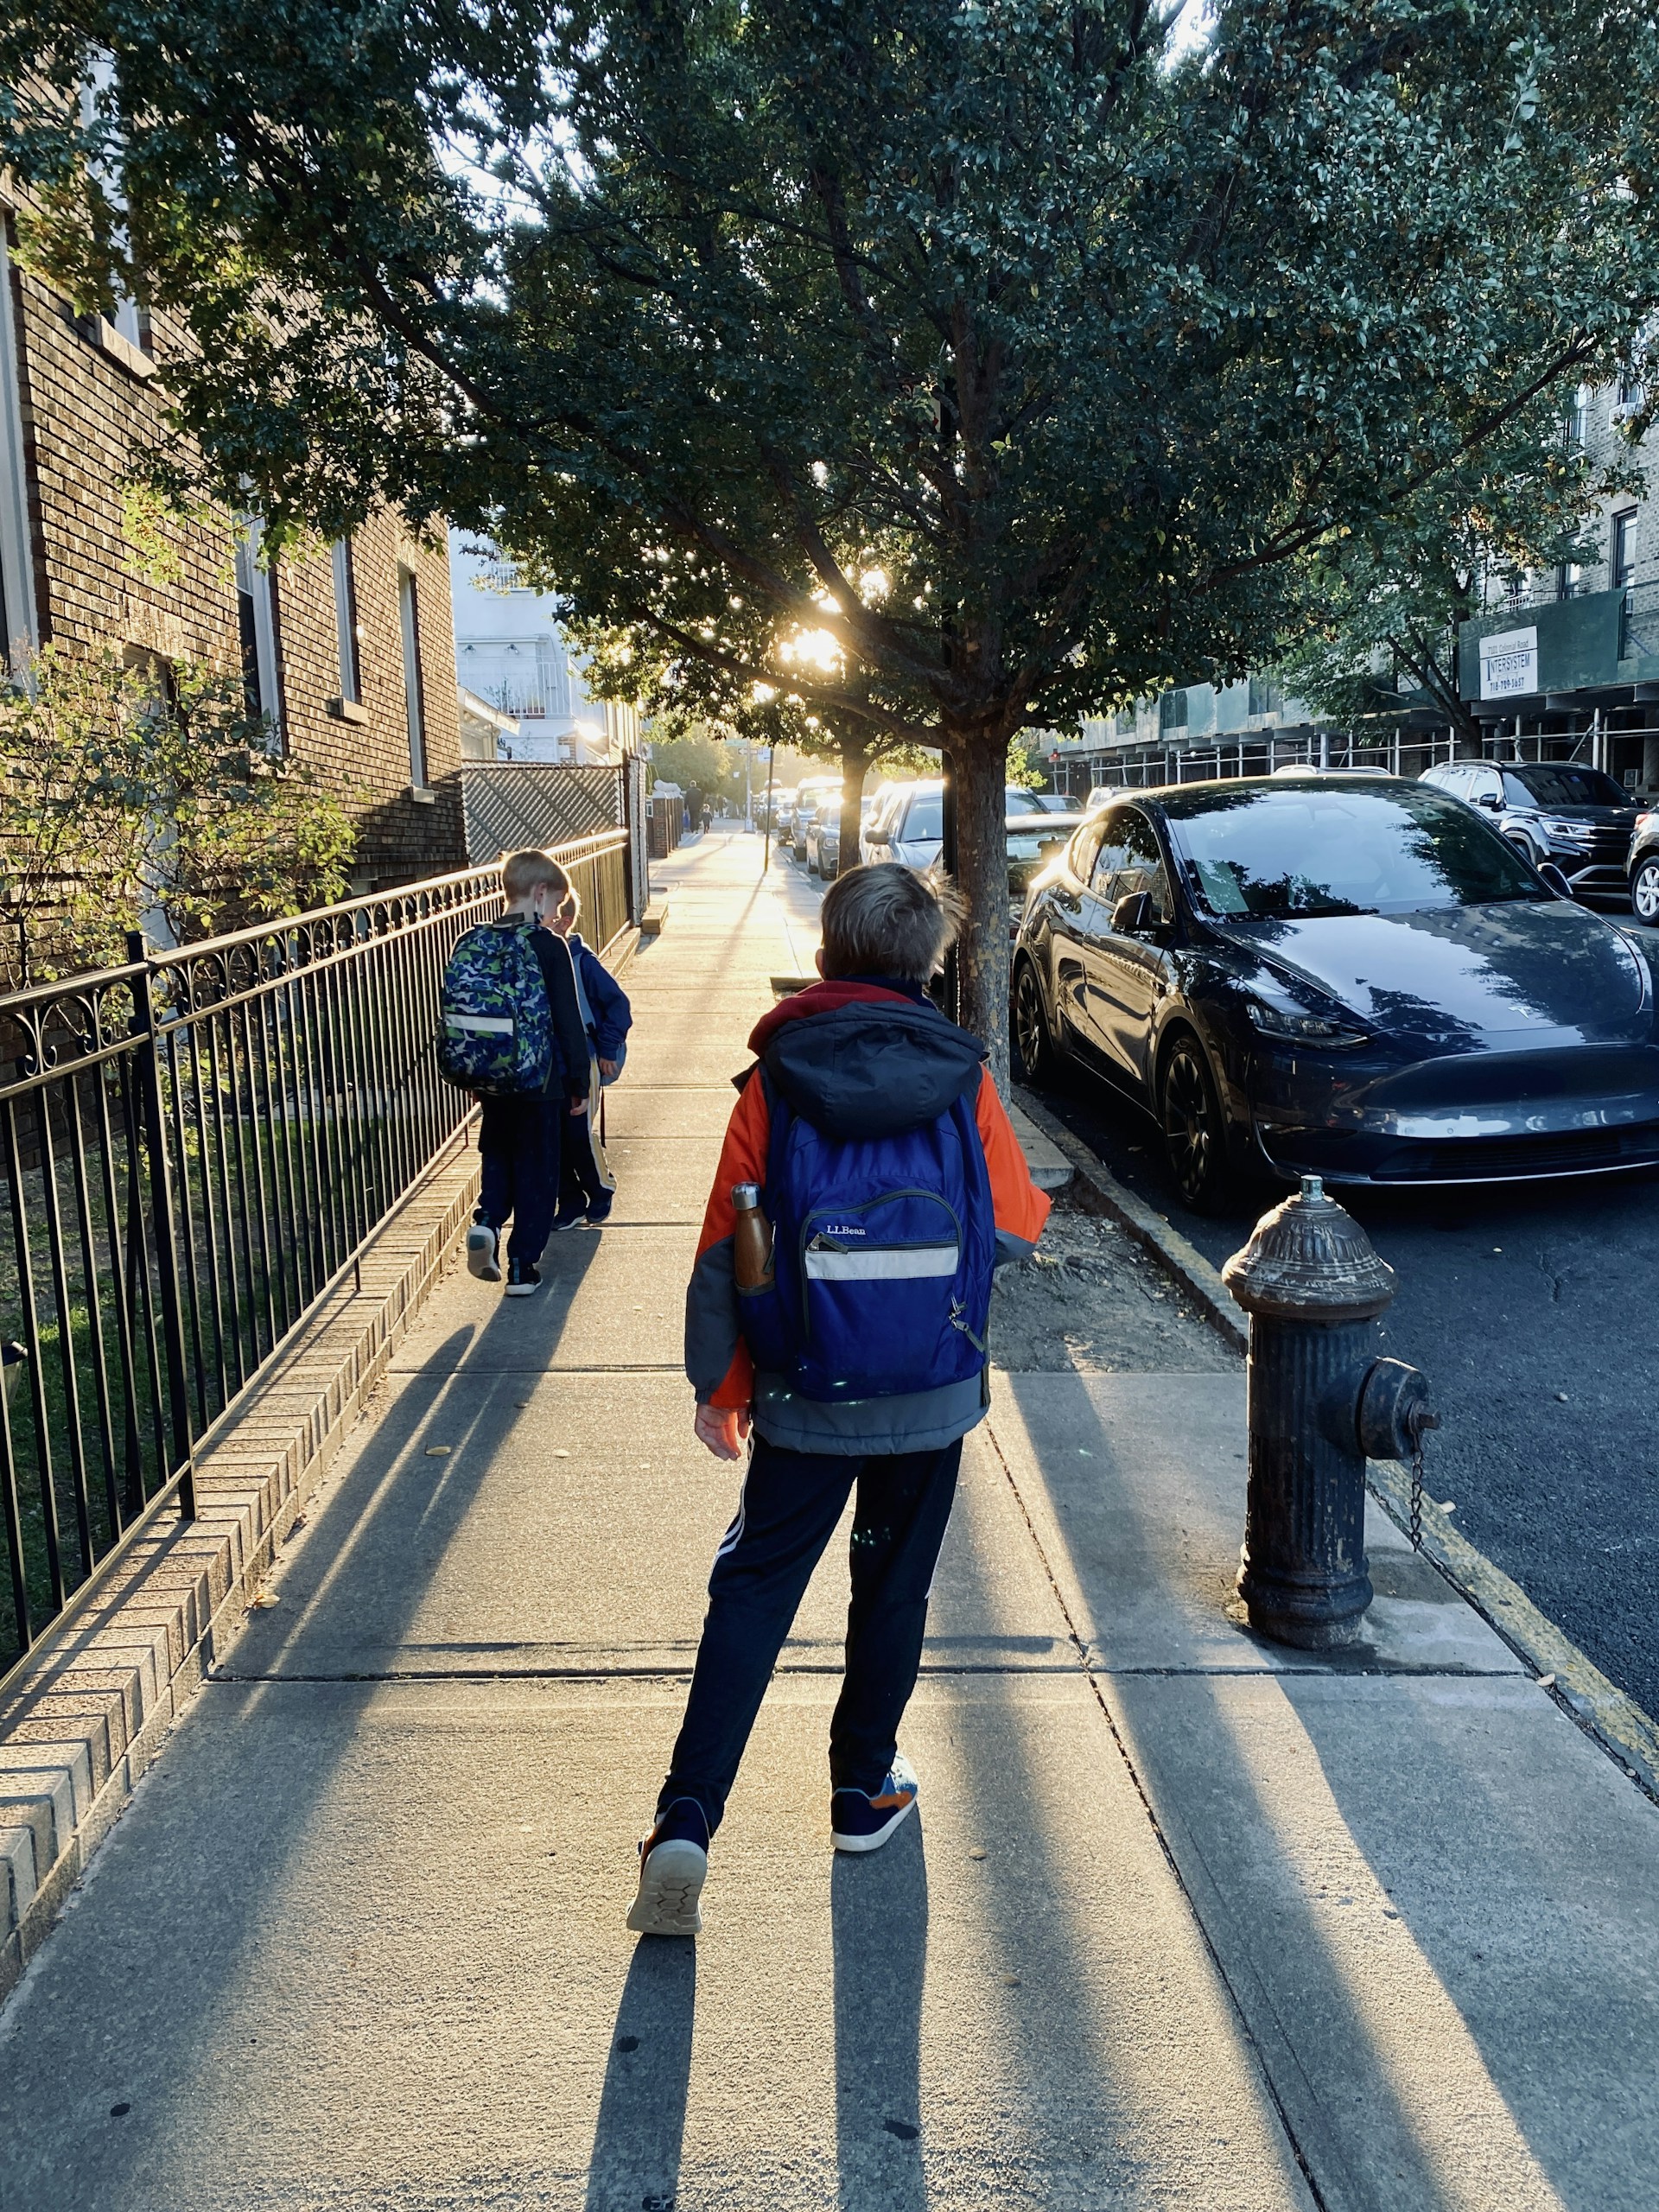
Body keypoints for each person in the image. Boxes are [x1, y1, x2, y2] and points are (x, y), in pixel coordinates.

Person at [626, 862, 1050, 1936]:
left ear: (826, 954)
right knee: (893, 1585)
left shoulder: (775, 1078)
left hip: (805, 1389)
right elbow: (1013, 1225)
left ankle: (688, 1813)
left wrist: (721, 1386)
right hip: (932, 1390)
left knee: (756, 1587)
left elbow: (729, 1241)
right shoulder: (963, 1075)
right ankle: (862, 1790)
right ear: (928, 962)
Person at [464, 850, 593, 1296]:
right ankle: (521, 1266)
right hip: (542, 1083)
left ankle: (486, 1222)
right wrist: (579, 1083)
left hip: (493, 1081)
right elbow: (568, 1022)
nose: (556, 915)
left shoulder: (473, 939)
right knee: (538, 1172)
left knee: (497, 1154)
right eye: (556, 905)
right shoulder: (547, 945)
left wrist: (480, 1072)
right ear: (540, 894)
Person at [548, 886, 633, 1230]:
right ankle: (569, 1201)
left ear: (564, 922)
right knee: (552, 1135)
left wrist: (608, 1049)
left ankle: (600, 1189)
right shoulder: (538, 959)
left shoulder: (583, 963)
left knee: (578, 1133)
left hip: (585, 1057)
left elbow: (618, 1006)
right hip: (550, 1061)